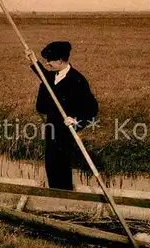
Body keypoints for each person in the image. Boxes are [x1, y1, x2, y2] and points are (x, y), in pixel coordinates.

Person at [26, 41, 98, 190]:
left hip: (66, 131)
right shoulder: (53, 76)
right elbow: (44, 75)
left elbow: (92, 109)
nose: (48, 64)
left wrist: (77, 120)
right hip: (51, 128)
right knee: (51, 165)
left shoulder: (77, 80)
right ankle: (55, 198)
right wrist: (33, 59)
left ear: (59, 61)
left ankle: (66, 199)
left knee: (62, 166)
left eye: (50, 61)